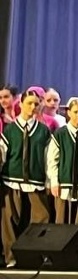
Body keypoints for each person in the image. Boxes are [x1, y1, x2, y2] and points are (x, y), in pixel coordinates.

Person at [0, 90, 51, 267]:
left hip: (36, 181)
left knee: (41, 218)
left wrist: (49, 181)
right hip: (11, 180)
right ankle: (11, 257)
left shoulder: (43, 131)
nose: (33, 107)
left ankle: (35, 256)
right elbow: (2, 154)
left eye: (36, 103)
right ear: (20, 104)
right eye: (29, 103)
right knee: (10, 220)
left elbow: (48, 158)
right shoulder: (10, 130)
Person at [46, 97, 78, 226]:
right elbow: (52, 160)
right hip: (63, 185)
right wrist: (54, 181)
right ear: (68, 112)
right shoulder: (60, 134)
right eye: (75, 112)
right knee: (61, 223)